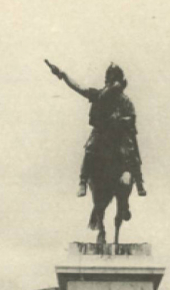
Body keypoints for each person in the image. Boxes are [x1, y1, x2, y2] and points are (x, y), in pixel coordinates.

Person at [45, 61, 146, 198]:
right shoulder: (99, 95)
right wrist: (62, 75)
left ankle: (139, 181)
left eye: (112, 78)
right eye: (109, 78)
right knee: (90, 147)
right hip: (102, 131)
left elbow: (132, 117)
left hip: (119, 133)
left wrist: (120, 120)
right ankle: (83, 181)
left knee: (131, 150)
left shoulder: (125, 100)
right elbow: (79, 88)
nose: (110, 83)